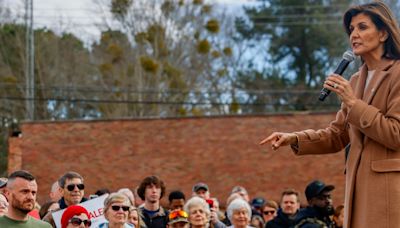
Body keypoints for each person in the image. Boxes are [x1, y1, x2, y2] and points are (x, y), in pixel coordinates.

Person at [260, 2, 400, 227]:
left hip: (390, 197)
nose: (354, 34)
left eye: (362, 27)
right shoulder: (355, 81)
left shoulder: (397, 74)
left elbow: (395, 134)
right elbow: (337, 135)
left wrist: (352, 103)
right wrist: (295, 138)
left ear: (383, 33)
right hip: (357, 193)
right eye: (351, 29)